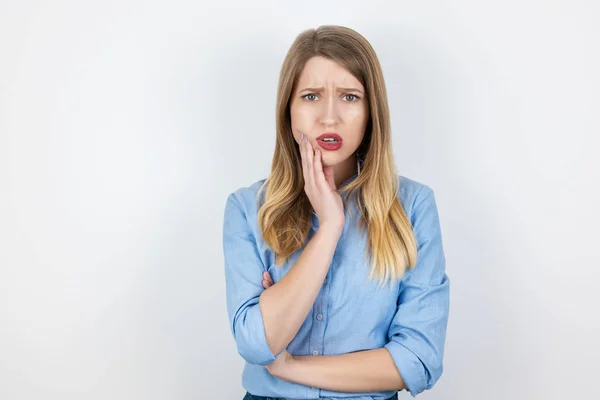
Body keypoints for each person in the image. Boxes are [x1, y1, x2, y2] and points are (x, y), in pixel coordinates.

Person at [222, 25, 450, 400]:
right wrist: (330, 227)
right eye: (311, 96)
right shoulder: (248, 209)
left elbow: (419, 360)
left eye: (349, 96)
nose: (330, 118)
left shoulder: (413, 206)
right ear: (288, 110)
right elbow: (256, 344)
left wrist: (291, 367)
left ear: (371, 110)